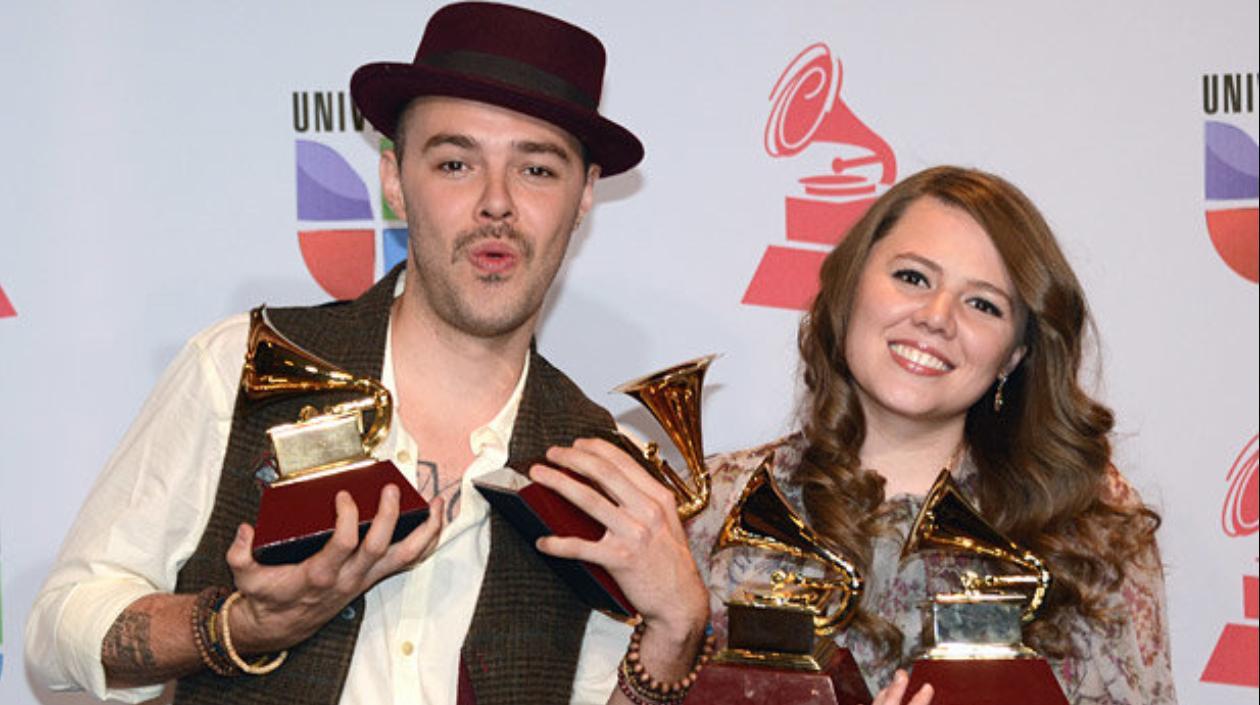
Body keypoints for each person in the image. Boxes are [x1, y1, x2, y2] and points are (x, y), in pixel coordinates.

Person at [25, 3, 710, 705]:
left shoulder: (606, 469)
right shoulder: (244, 366)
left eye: (537, 169)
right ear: (393, 178)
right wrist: (241, 625)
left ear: (586, 192)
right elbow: (57, 635)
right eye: (454, 162)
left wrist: (675, 632)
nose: (496, 203)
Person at [687, 166, 1177, 705]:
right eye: (913, 277)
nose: (937, 317)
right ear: (852, 286)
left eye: (983, 304)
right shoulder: (719, 503)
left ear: (1014, 355)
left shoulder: (1090, 528)